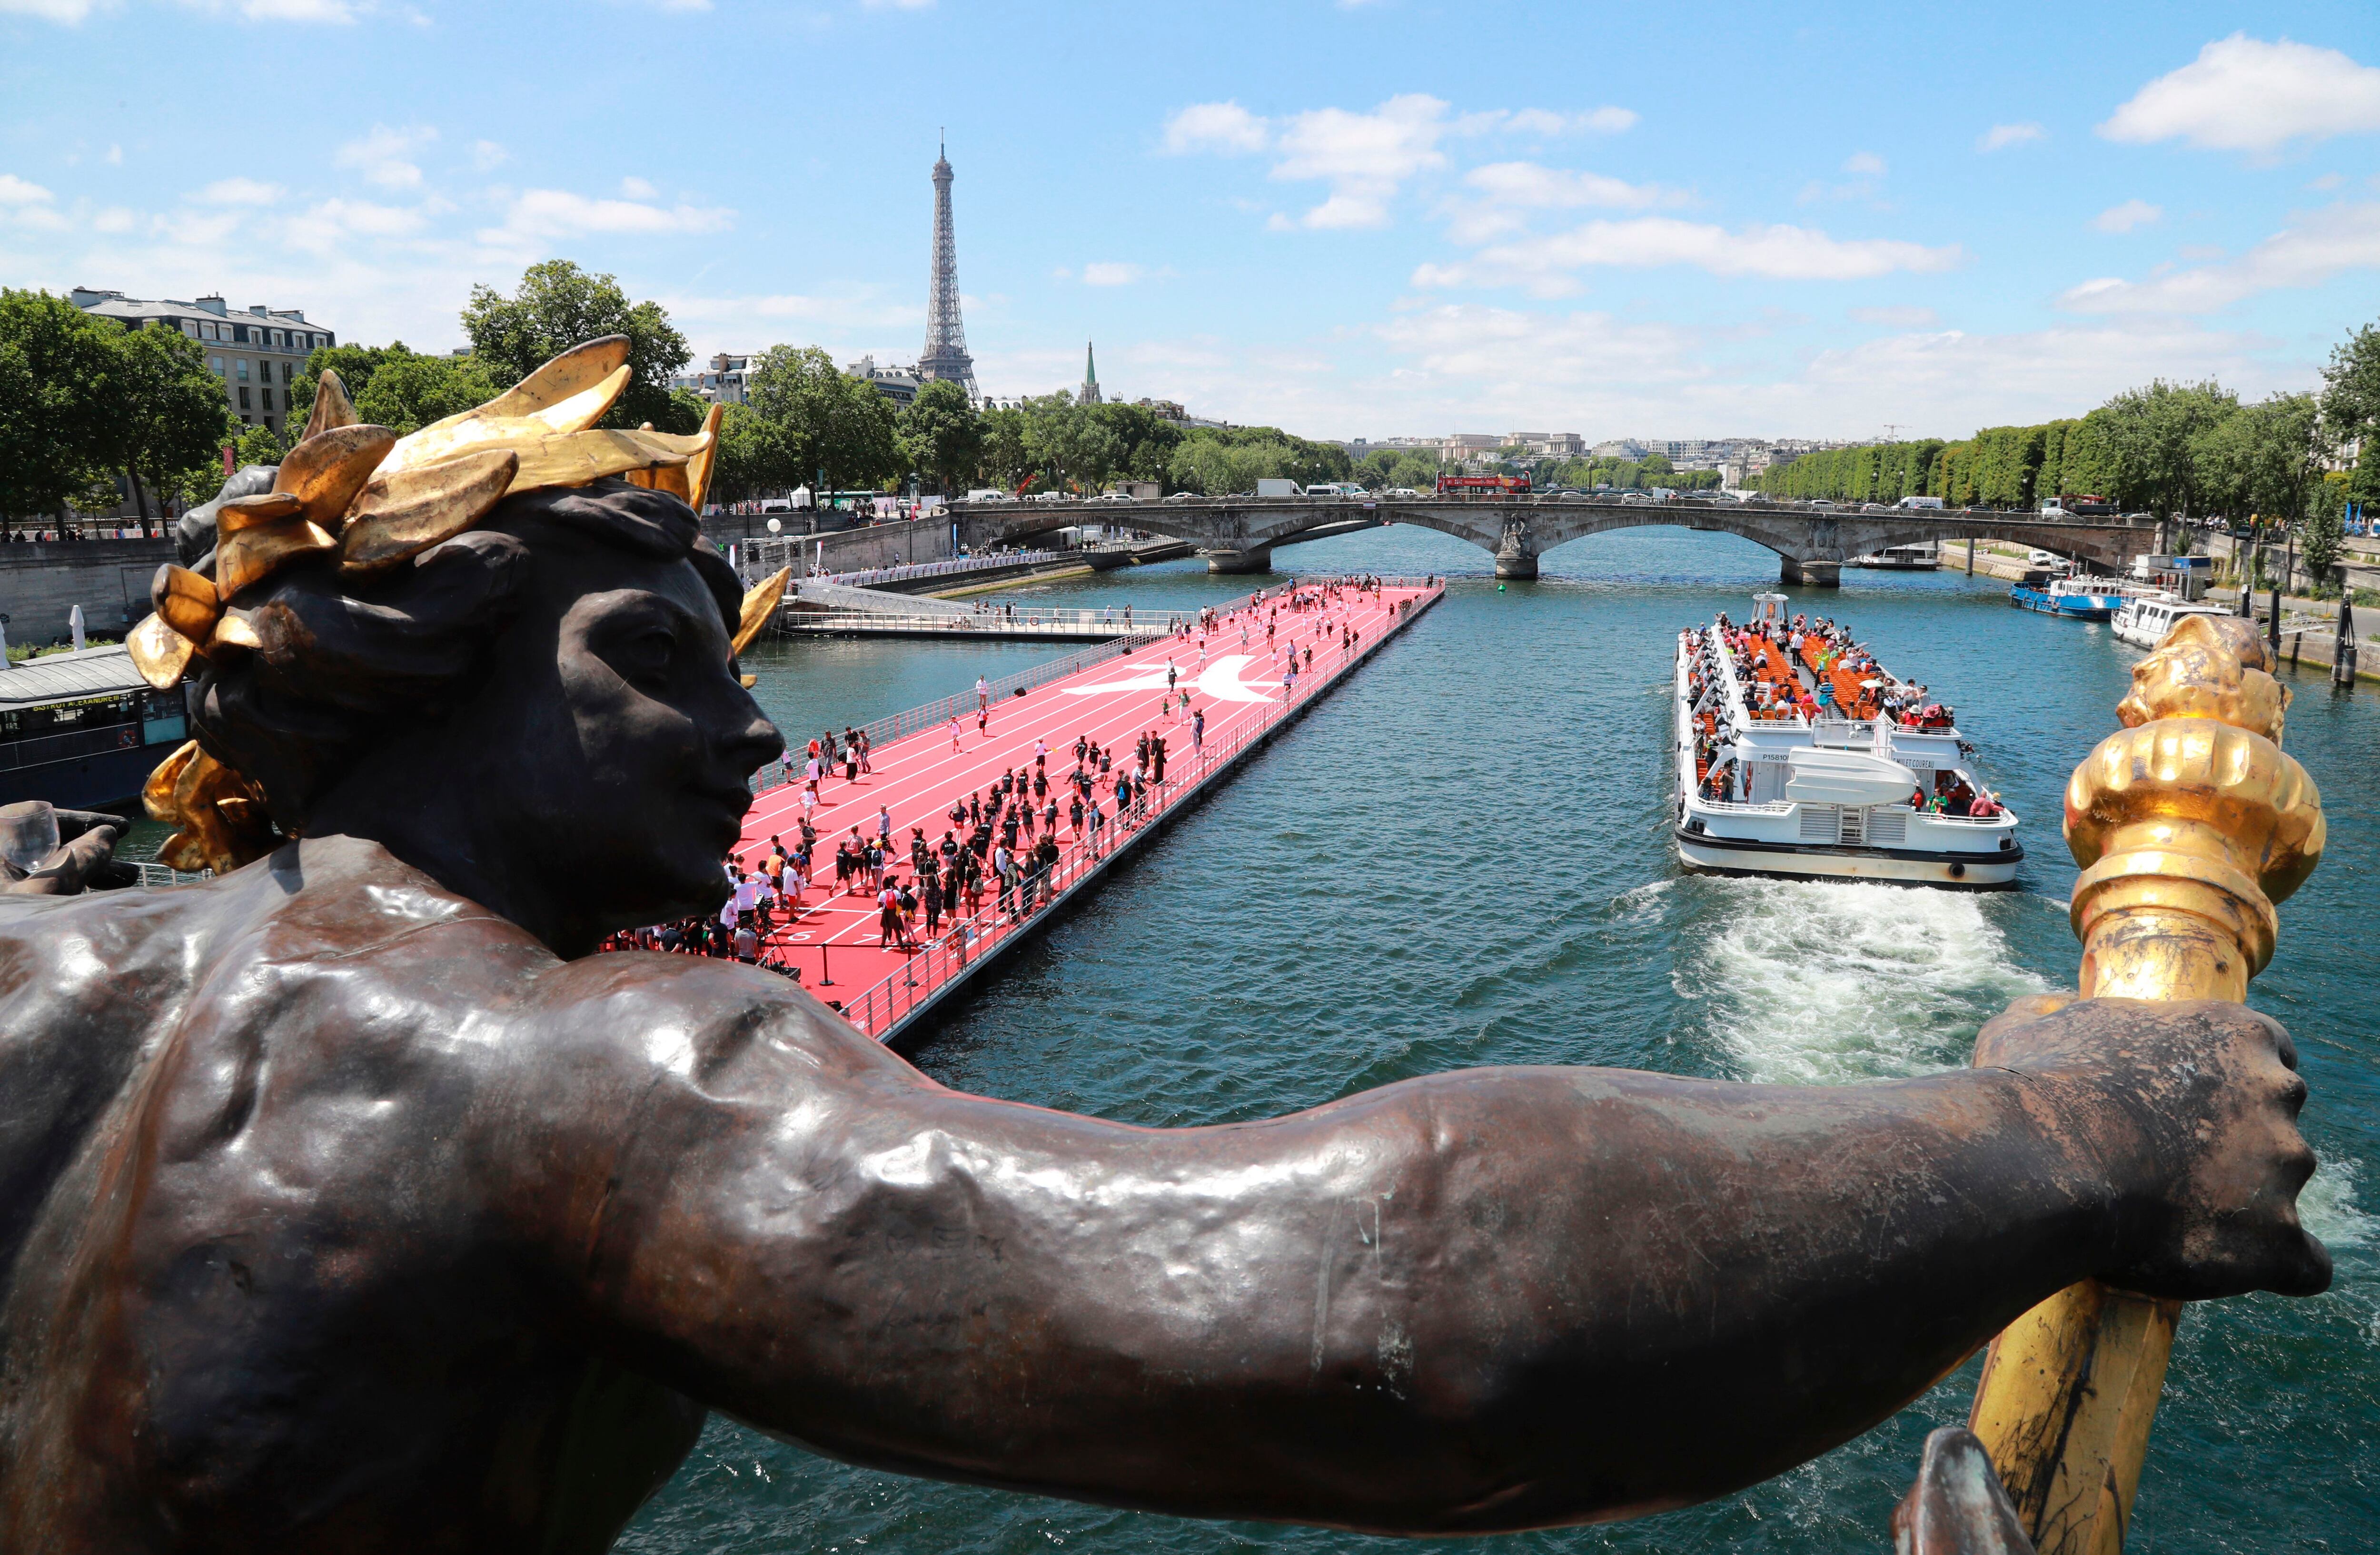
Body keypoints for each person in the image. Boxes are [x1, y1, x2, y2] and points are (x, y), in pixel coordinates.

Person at [5, 393, 2322, 1553]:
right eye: (650, 654)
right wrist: (2059, 1127)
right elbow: (1407, 1302)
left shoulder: (52, 969)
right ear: (423, 678)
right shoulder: (564, 1076)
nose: (746, 723)